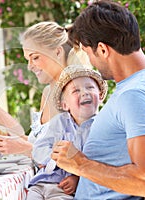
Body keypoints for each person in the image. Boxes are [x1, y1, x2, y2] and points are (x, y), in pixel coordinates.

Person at [51, 1, 145, 199]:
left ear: (103, 50)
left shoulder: (135, 94)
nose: (92, 63)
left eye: (89, 54)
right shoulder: (143, 83)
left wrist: (80, 164)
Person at [0, 21, 90, 159]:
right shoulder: (48, 92)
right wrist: (7, 136)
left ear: (57, 51)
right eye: (28, 59)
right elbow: (41, 145)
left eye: (35, 57)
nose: (29, 66)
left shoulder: (77, 92)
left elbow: (80, 157)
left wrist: (24, 147)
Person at [26, 65, 107, 199]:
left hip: (64, 189)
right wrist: (56, 158)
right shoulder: (59, 122)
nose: (85, 93)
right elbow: (39, 149)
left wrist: (77, 178)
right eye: (76, 90)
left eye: (90, 87)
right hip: (41, 183)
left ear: (100, 95)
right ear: (65, 105)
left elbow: (99, 163)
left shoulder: (102, 126)